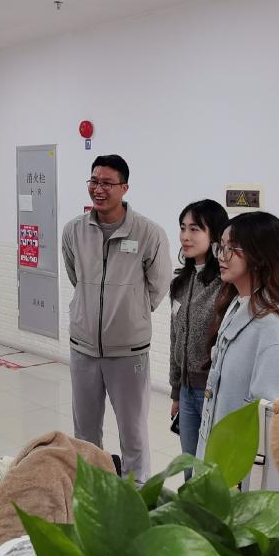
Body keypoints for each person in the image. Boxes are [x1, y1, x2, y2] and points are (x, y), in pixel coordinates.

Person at [61, 155, 172, 483]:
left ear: (124, 188)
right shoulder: (74, 231)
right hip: (83, 348)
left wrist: (130, 313)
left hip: (128, 352)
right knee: (85, 433)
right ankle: (92, 492)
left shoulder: (149, 233)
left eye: (107, 183)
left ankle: (136, 495)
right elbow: (76, 276)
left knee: (133, 433)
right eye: (94, 181)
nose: (98, 189)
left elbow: (159, 285)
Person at [195, 212, 279, 489]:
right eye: (220, 246)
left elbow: (272, 420)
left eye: (231, 248)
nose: (221, 256)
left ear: (259, 256)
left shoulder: (273, 328)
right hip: (221, 459)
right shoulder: (237, 304)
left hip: (245, 477)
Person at [169, 199, 229, 480]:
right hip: (186, 391)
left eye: (194, 229)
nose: (185, 236)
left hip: (213, 393)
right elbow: (175, 338)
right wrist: (175, 391)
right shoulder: (180, 283)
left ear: (215, 235)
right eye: (183, 228)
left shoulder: (225, 286)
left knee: (211, 472)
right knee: (189, 469)